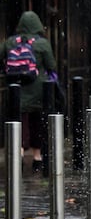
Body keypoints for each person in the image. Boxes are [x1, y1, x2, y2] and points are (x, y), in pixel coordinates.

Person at [3, 11, 57, 173]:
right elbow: (51, 65)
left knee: (19, 122)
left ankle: (18, 155)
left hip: (16, 90)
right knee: (37, 123)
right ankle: (37, 158)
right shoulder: (42, 43)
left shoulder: (10, 42)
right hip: (38, 90)